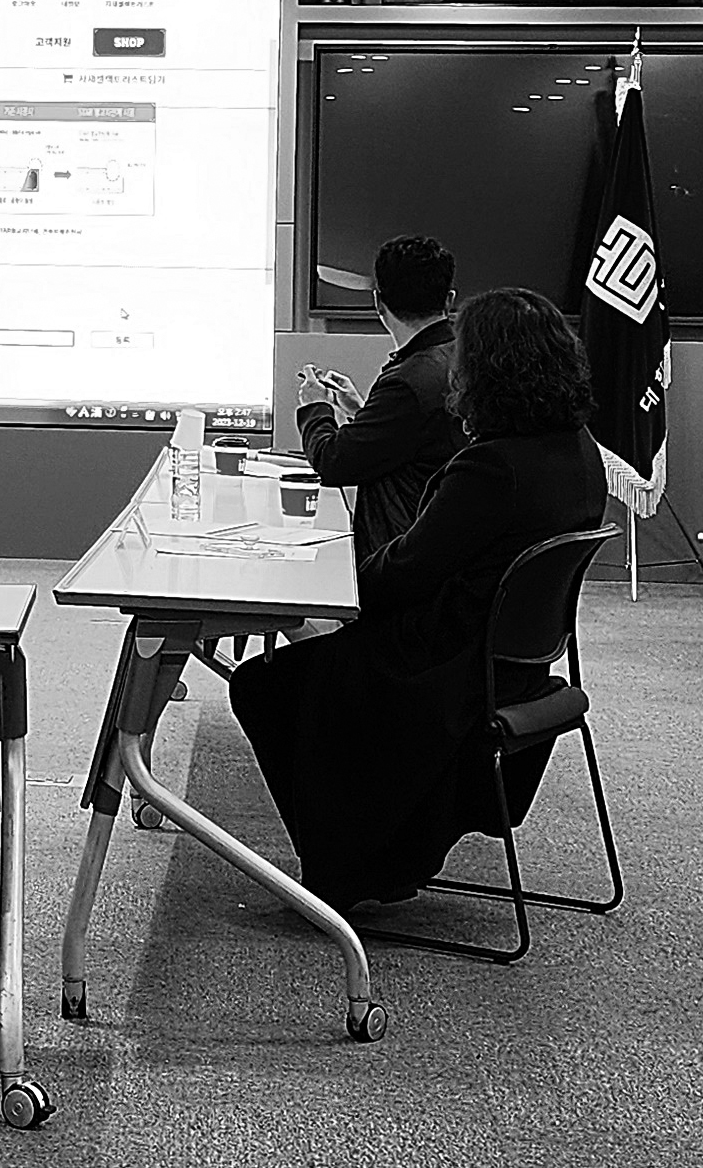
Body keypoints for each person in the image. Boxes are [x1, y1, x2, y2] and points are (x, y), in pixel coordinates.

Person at [229, 286, 609, 912]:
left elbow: (401, 575)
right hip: (520, 663)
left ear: (487, 370)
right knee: (311, 664)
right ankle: (377, 852)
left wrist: (323, 581)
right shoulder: (579, 449)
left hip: (442, 665)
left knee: (263, 685)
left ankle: (346, 870)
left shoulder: (491, 468)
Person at [297, 234, 469, 552]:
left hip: (403, 557)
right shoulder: (462, 358)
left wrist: (315, 406)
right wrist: (359, 410)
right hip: (448, 546)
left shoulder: (406, 383)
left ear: (378, 302)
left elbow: (334, 461)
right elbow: (415, 441)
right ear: (449, 300)